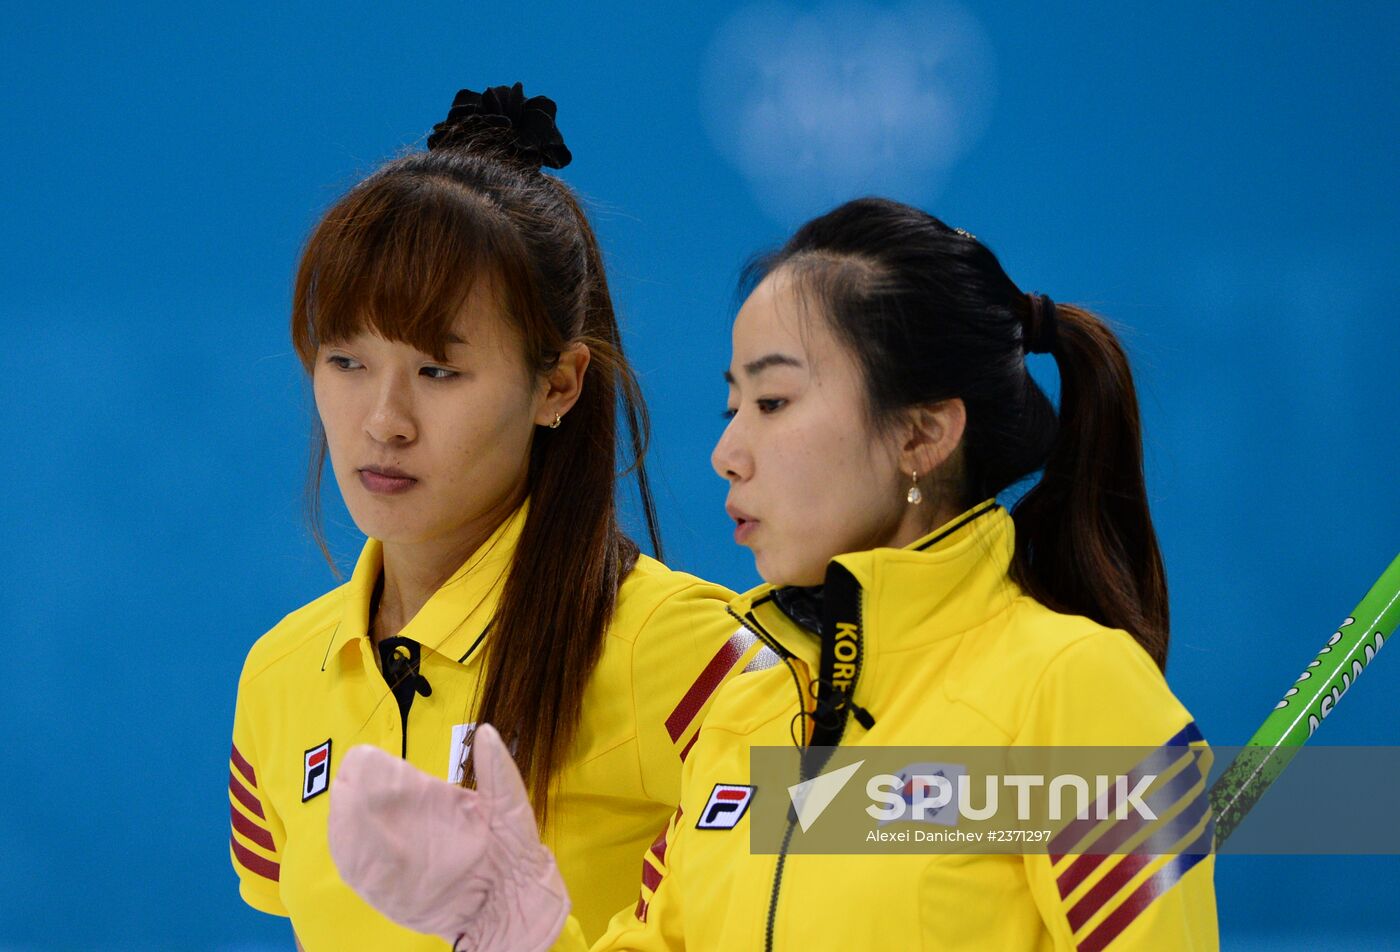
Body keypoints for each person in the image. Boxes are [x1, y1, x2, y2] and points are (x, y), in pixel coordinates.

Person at [326, 197, 1219, 950]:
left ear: (922, 433)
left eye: (775, 402)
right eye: (731, 405)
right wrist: (519, 930)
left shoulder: (1070, 691)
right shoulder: (744, 711)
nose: (726, 452)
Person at [226, 84, 762, 950]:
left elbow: (922, 846)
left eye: (440, 371)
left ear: (558, 385)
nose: (383, 420)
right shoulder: (279, 678)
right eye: (347, 360)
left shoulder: (682, 650)